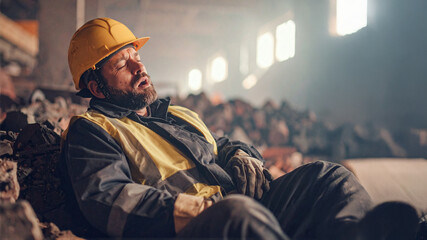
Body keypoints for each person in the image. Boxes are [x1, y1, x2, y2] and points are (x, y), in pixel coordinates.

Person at [61, 17, 374, 239]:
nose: (139, 67)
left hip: (237, 207)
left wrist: (242, 154)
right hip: (189, 228)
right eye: (121, 64)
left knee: (329, 178)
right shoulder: (91, 131)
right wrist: (200, 210)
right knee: (236, 216)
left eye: (137, 56)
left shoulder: (177, 114)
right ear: (97, 88)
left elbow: (219, 145)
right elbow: (109, 199)